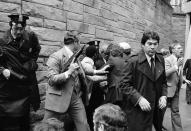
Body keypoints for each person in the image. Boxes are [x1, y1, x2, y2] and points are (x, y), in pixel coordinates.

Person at [119, 30, 167, 131]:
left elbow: (164, 82)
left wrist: (163, 95)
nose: (152, 47)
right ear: (142, 45)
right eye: (149, 44)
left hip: (156, 109)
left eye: (155, 44)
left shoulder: (160, 59)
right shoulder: (133, 61)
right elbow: (124, 85)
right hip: (138, 110)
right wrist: (139, 99)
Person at [0, 13, 41, 131]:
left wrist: (32, 63)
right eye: (15, 28)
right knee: (7, 123)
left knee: (24, 122)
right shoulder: (2, 41)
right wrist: (3, 71)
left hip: (24, 87)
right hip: (7, 89)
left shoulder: (30, 37)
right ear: (10, 26)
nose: (19, 32)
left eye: (21, 29)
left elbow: (37, 49)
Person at [43, 31, 91, 131]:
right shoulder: (56, 56)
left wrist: (98, 71)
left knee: (84, 126)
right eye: (79, 42)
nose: (80, 44)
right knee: (46, 127)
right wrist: (68, 72)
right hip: (57, 97)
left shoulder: (75, 56)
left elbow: (83, 70)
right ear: (75, 42)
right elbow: (52, 80)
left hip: (75, 97)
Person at [163, 43, 184, 131]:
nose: (181, 50)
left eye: (181, 48)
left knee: (175, 111)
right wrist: (176, 66)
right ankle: (156, 126)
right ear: (173, 50)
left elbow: (178, 75)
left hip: (176, 90)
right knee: (161, 112)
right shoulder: (167, 60)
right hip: (167, 90)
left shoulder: (180, 60)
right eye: (179, 48)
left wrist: (184, 80)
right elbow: (165, 74)